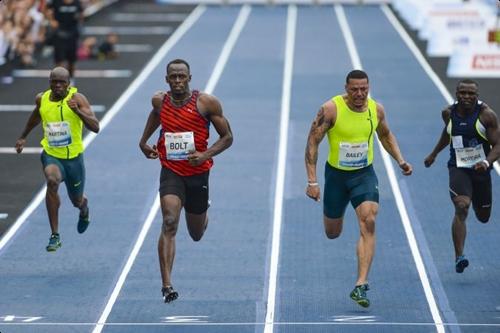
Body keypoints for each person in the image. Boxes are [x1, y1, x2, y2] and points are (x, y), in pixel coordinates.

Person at [304, 70, 412, 308]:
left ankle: (360, 284)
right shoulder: (331, 109)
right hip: (336, 177)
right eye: (354, 89)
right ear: (346, 88)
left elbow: (385, 135)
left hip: (364, 175)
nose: (360, 94)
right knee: (332, 232)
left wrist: (400, 160)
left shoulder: (376, 109)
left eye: (364, 89)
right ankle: (337, 214)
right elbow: (313, 141)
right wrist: (312, 181)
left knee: (369, 220)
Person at [139, 59, 233, 303]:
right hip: (171, 171)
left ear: (190, 78)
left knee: (196, 233)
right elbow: (155, 115)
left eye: (182, 76)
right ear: (166, 79)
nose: (178, 81)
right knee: (169, 221)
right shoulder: (160, 100)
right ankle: (167, 285)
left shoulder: (206, 103)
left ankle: (203, 213)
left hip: (198, 173)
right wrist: (143, 141)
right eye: (173, 77)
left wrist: (204, 155)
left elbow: (228, 137)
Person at [15, 66, 99, 252]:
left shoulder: (77, 99)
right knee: (52, 181)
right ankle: (55, 235)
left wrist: (78, 112)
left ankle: (84, 210)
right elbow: (36, 116)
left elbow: (95, 126)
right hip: (52, 154)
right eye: (55, 81)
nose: (58, 85)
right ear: (50, 82)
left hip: (74, 160)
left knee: (76, 200)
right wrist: (23, 136)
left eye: (62, 82)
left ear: (69, 84)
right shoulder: (42, 98)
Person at [424, 79, 499, 274]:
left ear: (477, 95)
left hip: (481, 170)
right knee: (461, 206)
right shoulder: (448, 113)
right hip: (458, 168)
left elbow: (498, 145)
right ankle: (459, 256)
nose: (467, 97)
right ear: (456, 94)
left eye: (471, 94)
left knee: (483, 217)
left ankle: (477, 202)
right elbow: (449, 133)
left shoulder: (487, 116)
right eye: (463, 93)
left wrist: (486, 162)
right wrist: (434, 153)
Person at [46, 0, 84, 78]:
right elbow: (47, 10)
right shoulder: (56, 2)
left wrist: (79, 20)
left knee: (72, 61)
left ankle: (71, 79)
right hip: (59, 33)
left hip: (72, 34)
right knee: (59, 61)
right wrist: (51, 20)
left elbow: (81, 13)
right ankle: (59, 80)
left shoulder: (77, 2)